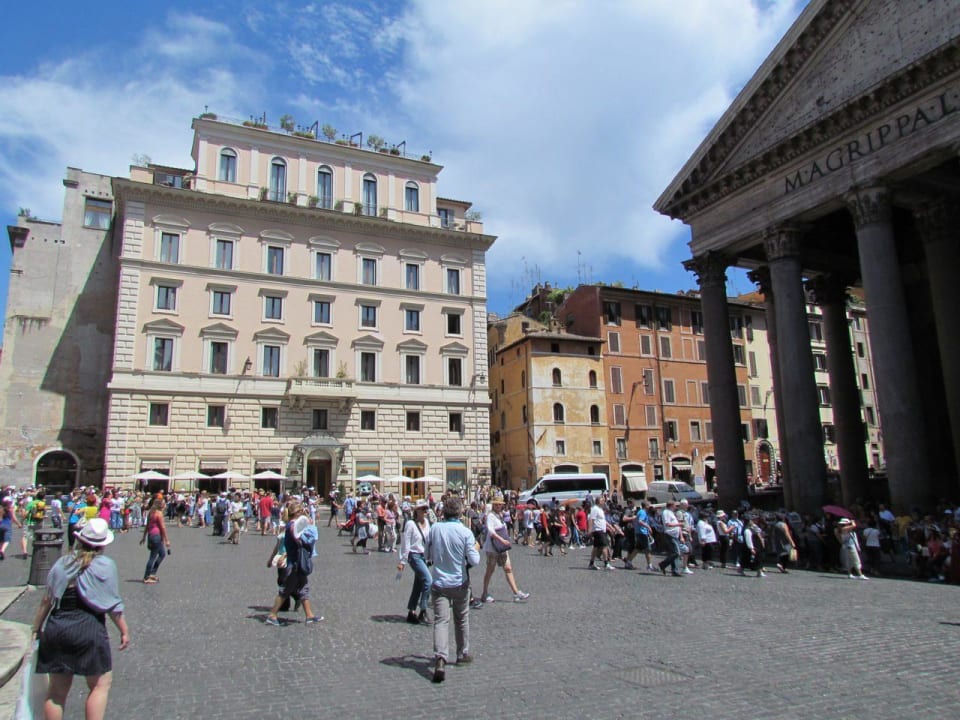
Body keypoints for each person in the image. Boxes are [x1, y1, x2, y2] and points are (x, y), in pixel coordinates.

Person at [31, 518, 129, 720]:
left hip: (57, 626)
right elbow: (111, 604)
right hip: (89, 627)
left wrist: (36, 627)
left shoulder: (62, 562)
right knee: (100, 685)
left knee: (57, 692)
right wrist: (124, 630)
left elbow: (46, 599)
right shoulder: (105, 565)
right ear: (102, 544)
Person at [425, 497, 479, 683]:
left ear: (443, 512)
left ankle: (440, 657)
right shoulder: (465, 532)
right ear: (460, 513)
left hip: (439, 583)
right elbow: (475, 561)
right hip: (459, 583)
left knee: (441, 622)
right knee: (461, 619)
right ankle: (462, 653)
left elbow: (427, 554)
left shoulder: (435, 529)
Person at [265, 501, 323, 625]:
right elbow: (300, 542)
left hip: (296, 561)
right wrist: (311, 528)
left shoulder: (293, 524)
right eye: (301, 511)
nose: (303, 513)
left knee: (303, 588)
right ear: (296, 513)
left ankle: (309, 615)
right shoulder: (292, 526)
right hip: (295, 563)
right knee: (286, 590)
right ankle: (272, 615)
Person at [479, 497, 530, 603]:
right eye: (497, 504)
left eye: (500, 504)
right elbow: (491, 532)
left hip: (502, 547)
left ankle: (516, 593)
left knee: (508, 568)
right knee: (490, 570)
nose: (499, 506)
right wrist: (502, 540)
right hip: (493, 547)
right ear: (493, 505)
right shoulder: (491, 516)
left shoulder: (500, 515)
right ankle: (484, 593)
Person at [397, 499, 432, 624]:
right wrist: (402, 561)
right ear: (416, 510)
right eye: (423, 508)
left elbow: (429, 541)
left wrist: (431, 556)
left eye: (426, 508)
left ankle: (411, 612)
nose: (425, 511)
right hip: (414, 556)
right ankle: (423, 610)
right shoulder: (410, 524)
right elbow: (406, 543)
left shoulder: (427, 522)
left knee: (418, 584)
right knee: (428, 580)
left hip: (423, 556)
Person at [140, 497, 170, 584]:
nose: (165, 505)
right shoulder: (159, 514)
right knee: (152, 557)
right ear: (160, 505)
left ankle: (152, 573)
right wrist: (166, 540)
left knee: (162, 554)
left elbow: (147, 526)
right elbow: (162, 527)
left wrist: (144, 537)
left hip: (151, 536)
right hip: (156, 536)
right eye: (164, 503)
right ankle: (146, 576)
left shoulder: (151, 513)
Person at [658, 501, 684, 577]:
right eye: (675, 505)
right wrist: (679, 524)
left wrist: (681, 535)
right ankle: (663, 564)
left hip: (675, 535)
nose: (676, 507)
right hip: (669, 534)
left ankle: (675, 570)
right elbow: (667, 523)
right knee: (676, 552)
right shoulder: (666, 512)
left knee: (673, 553)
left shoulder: (671, 513)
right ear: (671, 505)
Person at [587, 501, 615, 570]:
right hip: (598, 530)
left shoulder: (600, 510)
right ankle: (606, 563)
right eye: (602, 501)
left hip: (602, 530)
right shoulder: (595, 509)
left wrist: (610, 527)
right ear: (599, 502)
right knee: (604, 546)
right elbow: (591, 519)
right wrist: (590, 529)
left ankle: (591, 563)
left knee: (596, 547)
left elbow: (603, 520)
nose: (604, 502)